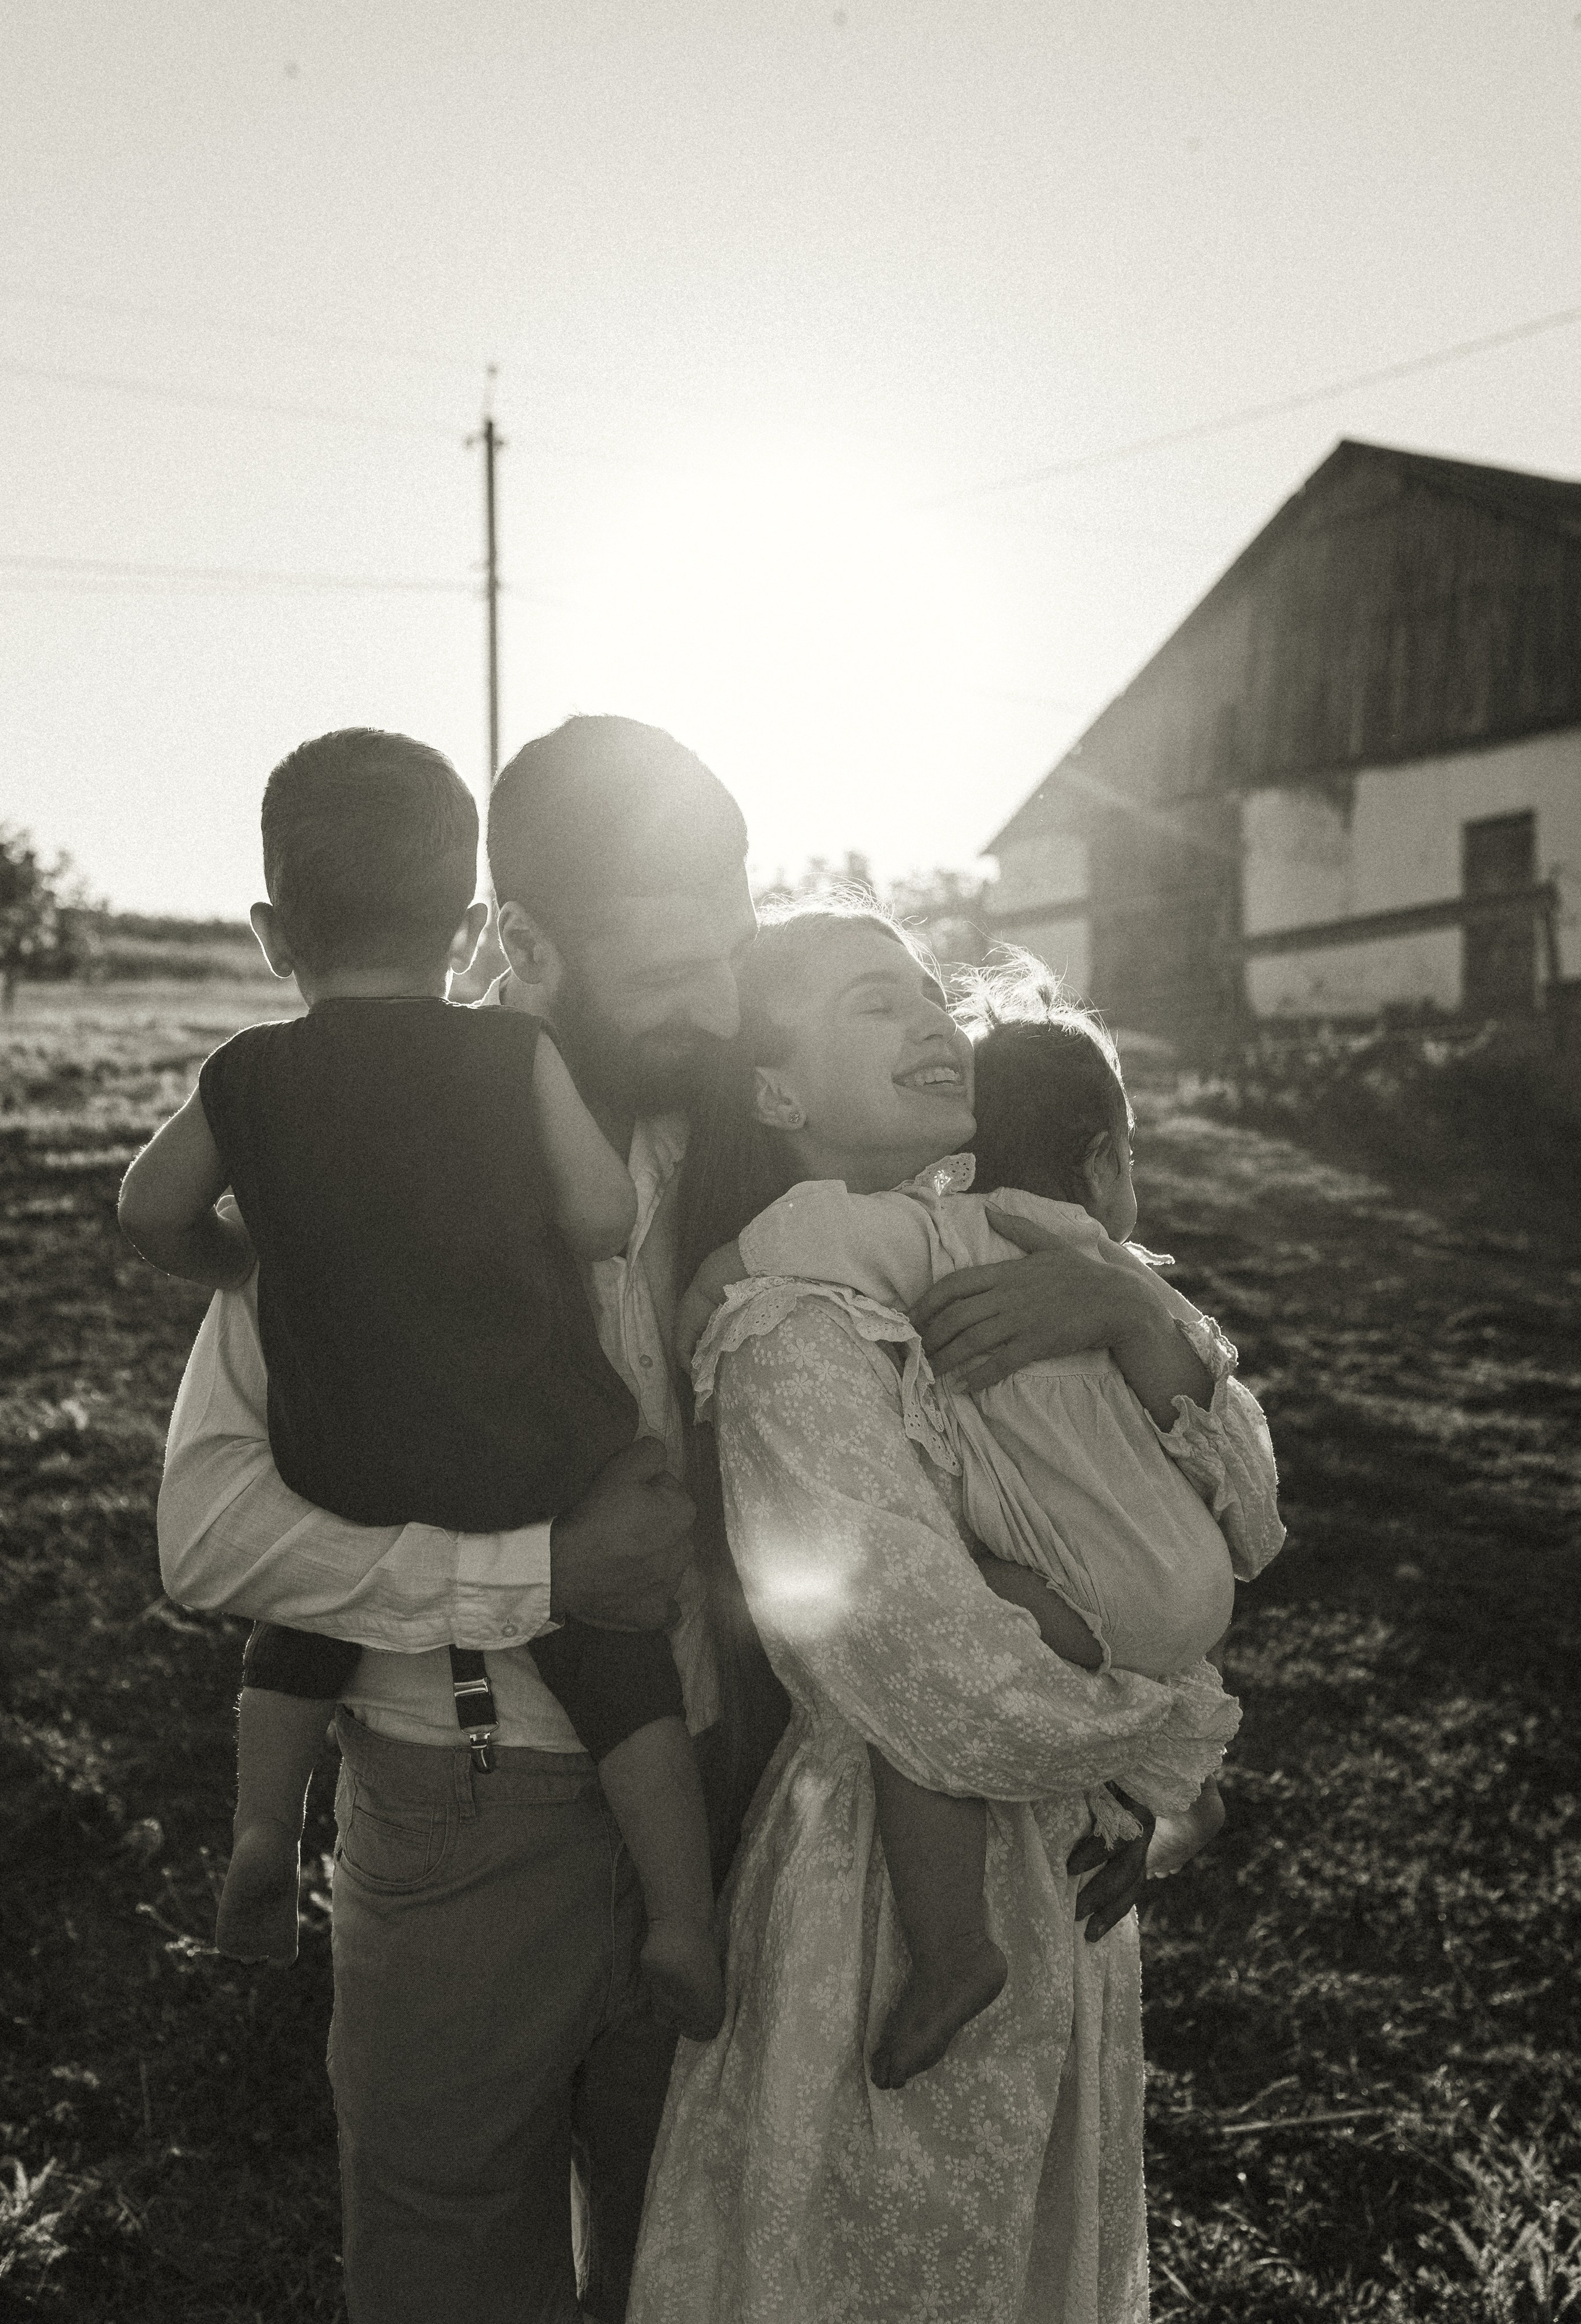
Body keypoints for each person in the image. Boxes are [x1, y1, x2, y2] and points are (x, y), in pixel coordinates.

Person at [154, 724, 1202, 2323]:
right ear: (524, 945)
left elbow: (1023, 1484)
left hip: (740, 1817)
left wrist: (1090, 1764)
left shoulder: (776, 1164)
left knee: (693, 2265)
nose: (715, 1004)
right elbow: (208, 1529)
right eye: (672, 971)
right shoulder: (373, 1135)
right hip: (467, 1811)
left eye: (729, 950)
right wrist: (531, 1574)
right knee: (452, 2272)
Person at [627, 903, 1285, 2324]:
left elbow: (1238, 1507)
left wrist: (1124, 1314)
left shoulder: (1019, 1252)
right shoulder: (790, 1321)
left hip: (1061, 1862)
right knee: (903, 2256)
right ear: (776, 1089)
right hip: (887, 1876)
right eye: (876, 1003)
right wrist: (1154, 1746)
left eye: (932, 994)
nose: (931, 1019)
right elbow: (906, 1657)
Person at [120, 728, 723, 2039]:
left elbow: (147, 1205)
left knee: (311, 1628)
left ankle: (262, 1837)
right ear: (466, 932)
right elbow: (603, 1213)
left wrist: (243, 1264)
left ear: (274, 934)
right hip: (525, 1459)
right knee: (617, 1665)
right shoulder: (504, 1061)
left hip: (344, 1459)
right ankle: (681, 1916)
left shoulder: (247, 1075)